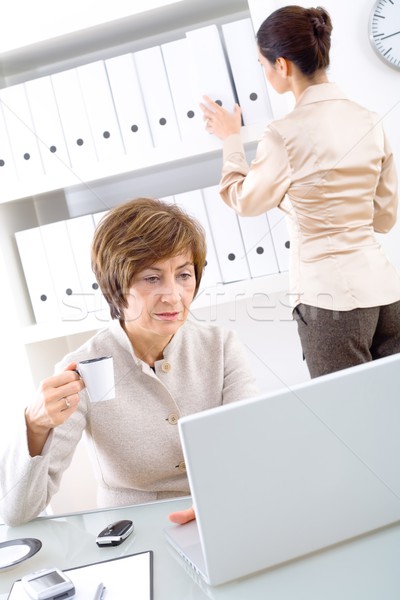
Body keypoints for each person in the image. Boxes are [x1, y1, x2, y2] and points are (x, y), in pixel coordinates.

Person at [0, 198, 259, 526]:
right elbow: (16, 512)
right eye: (152, 278)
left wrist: (222, 499)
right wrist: (34, 426)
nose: (173, 295)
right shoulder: (82, 367)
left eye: (183, 275)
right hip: (132, 531)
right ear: (116, 285)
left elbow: (252, 448)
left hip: (222, 513)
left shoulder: (220, 346)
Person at [200, 5, 400, 379]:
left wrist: (230, 139)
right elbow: (385, 218)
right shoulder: (369, 120)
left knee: (348, 419)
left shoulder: (284, 134)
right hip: (388, 294)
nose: (264, 72)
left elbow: (243, 198)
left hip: (329, 301)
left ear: (283, 66)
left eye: (263, 64)